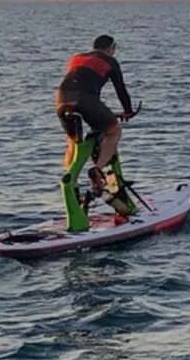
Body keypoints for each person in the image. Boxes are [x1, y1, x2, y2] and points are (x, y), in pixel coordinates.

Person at [55, 34, 137, 229]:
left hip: (62, 99)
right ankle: (97, 169)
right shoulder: (110, 61)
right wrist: (128, 111)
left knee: (74, 143)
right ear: (111, 48)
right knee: (113, 131)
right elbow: (120, 90)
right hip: (86, 100)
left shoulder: (77, 57)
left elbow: (79, 80)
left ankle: (71, 178)